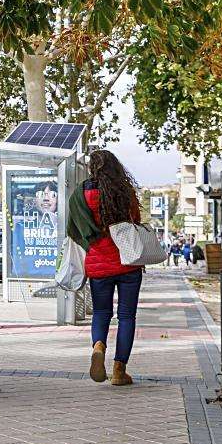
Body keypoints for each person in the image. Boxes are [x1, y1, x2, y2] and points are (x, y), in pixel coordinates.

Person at [67, 149, 145, 387]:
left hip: (98, 264)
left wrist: (93, 244)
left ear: (92, 168)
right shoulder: (125, 192)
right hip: (128, 262)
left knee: (101, 313)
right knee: (126, 316)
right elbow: (136, 221)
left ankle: (98, 345)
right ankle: (119, 371)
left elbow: (74, 229)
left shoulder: (80, 194)